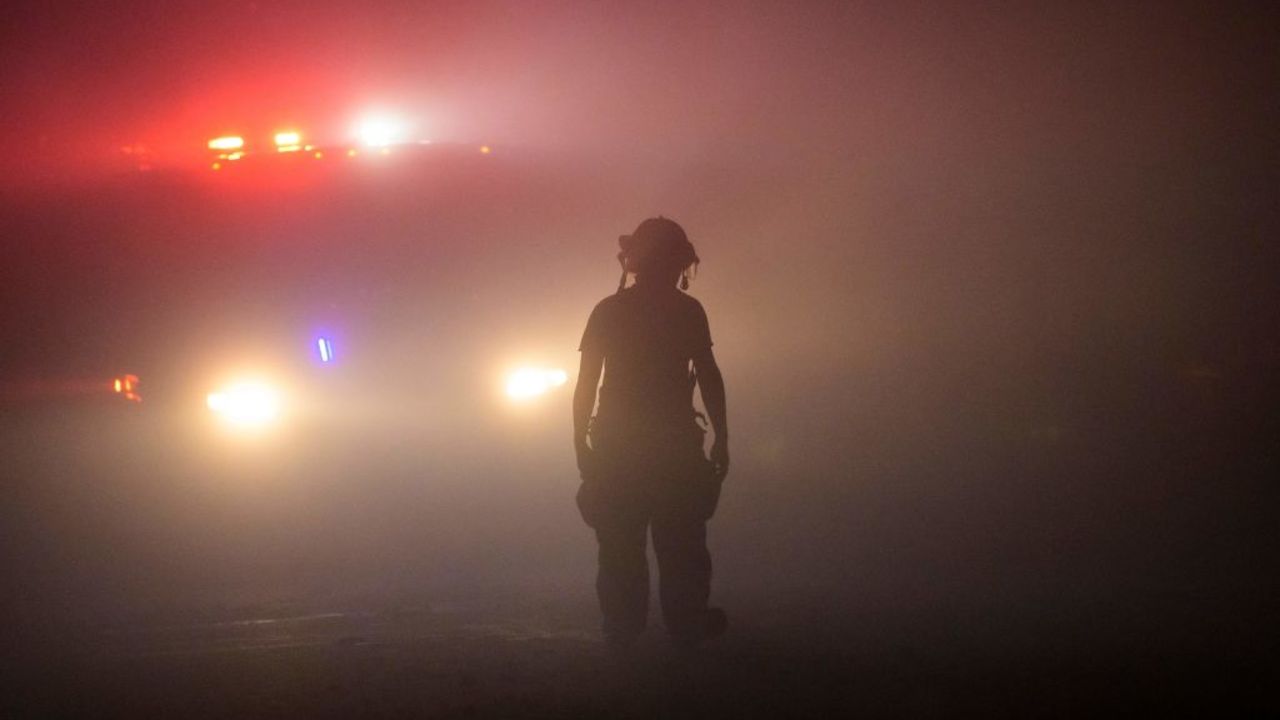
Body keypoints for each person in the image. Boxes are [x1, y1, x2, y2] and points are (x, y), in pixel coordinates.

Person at [573, 216, 730, 649]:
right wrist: (722, 437)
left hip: (618, 445)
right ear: (680, 262)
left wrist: (580, 446)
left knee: (621, 546)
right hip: (673, 446)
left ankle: (623, 630)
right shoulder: (686, 311)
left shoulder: (609, 311)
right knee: (681, 547)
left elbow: (586, 384)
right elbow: (709, 375)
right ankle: (686, 625)